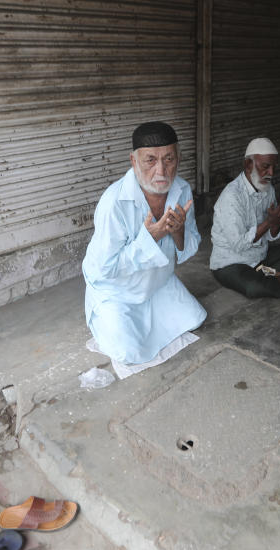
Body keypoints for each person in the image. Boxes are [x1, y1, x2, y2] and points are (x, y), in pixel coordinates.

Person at [81, 121, 206, 371]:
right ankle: (101, 319)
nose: (161, 170)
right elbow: (105, 268)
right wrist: (151, 238)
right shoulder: (113, 203)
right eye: (150, 160)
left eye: (169, 159)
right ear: (133, 161)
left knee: (196, 318)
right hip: (117, 293)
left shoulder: (182, 190)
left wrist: (179, 230)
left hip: (158, 284)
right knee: (128, 352)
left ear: (178, 159)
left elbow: (188, 249)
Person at [209, 137, 280, 298]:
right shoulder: (232, 196)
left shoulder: (268, 188)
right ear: (248, 165)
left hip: (259, 257)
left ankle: (269, 273)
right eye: (265, 167)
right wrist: (269, 221)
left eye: (273, 167)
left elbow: (271, 236)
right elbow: (238, 245)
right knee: (255, 288)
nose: (271, 173)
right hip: (231, 263)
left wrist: (278, 221)